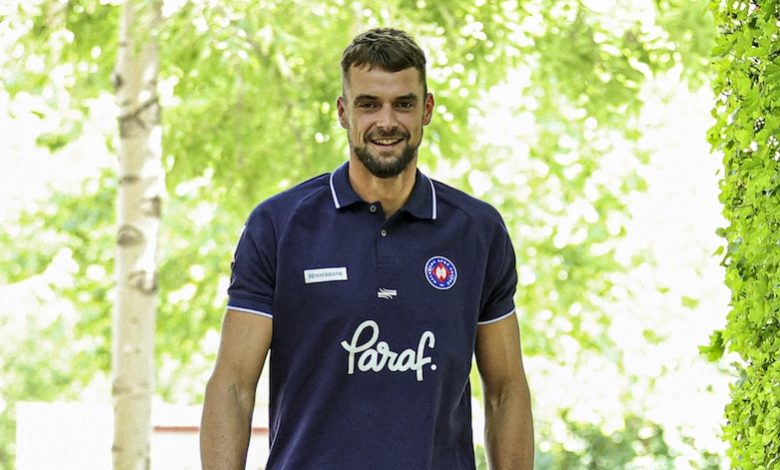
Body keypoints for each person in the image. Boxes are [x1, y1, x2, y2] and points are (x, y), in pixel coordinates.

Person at [200, 27, 534, 470]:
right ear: (343, 112)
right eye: (369, 104)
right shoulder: (279, 226)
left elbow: (506, 391)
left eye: (404, 104)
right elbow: (233, 387)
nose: (387, 122)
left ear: (427, 109)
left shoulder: (477, 231)